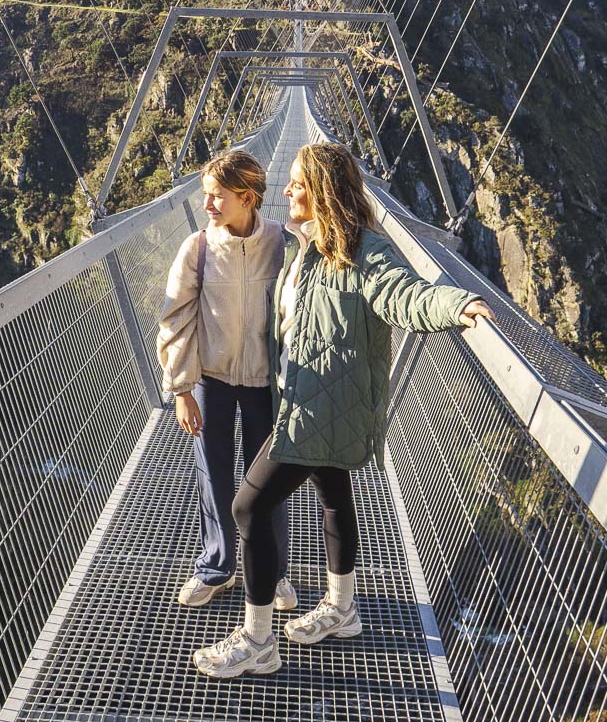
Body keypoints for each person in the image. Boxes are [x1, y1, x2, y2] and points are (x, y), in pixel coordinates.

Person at [192, 141, 493, 680]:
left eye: (297, 185)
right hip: (313, 398)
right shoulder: (308, 247)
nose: (284, 193)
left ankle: (258, 641)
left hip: (320, 409)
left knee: (248, 508)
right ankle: (342, 609)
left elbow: (406, 295)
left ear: (324, 192)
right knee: (334, 495)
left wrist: (457, 304)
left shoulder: (365, 253)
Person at [157, 148, 296, 612]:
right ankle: (218, 566)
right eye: (205, 195)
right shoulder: (197, 248)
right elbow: (176, 319)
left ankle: (274, 573)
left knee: (268, 482)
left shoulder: (283, 243)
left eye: (217, 197)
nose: (208, 205)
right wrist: (180, 389)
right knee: (212, 475)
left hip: (264, 381)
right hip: (211, 379)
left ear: (248, 197)